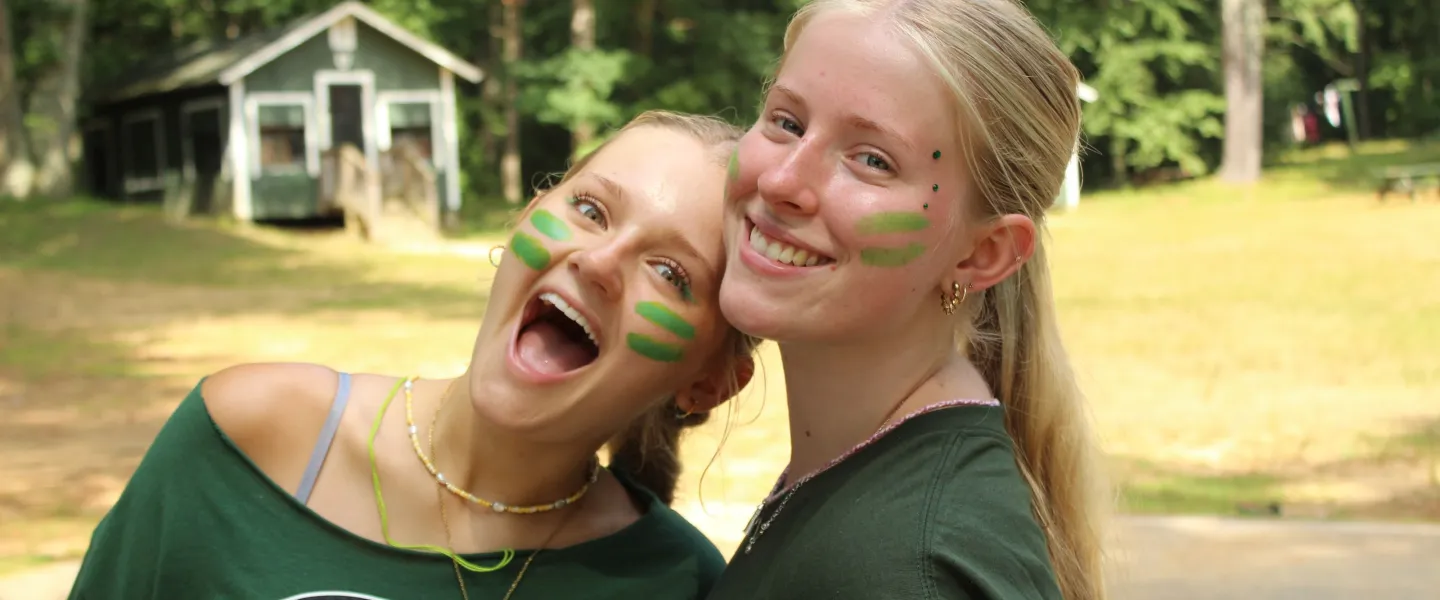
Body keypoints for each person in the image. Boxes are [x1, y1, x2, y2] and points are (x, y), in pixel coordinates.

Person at [66, 111, 758, 600]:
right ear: (525, 217)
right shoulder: (249, 437)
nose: (600, 261)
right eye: (591, 211)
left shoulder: (678, 581)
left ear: (709, 383)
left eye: (670, 274)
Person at [708, 1, 1106, 599]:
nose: (781, 181)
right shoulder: (862, 476)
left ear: (984, 254)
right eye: (787, 122)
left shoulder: (907, 568)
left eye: (872, 160)